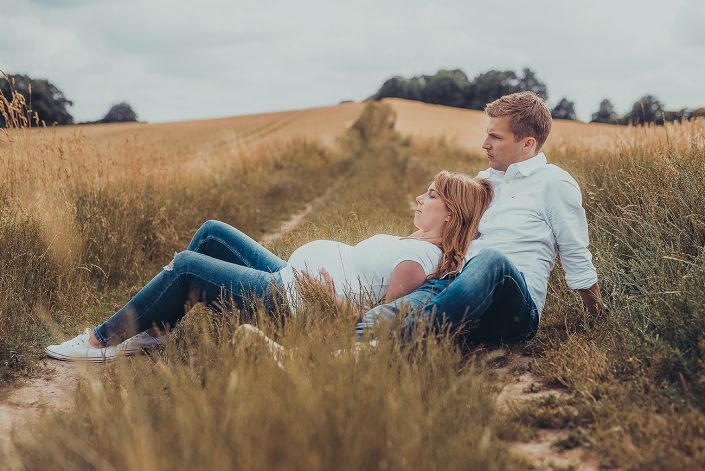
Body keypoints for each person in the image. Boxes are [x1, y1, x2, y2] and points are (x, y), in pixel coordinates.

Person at [45, 171, 493, 361]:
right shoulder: (414, 241)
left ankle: (102, 340)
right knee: (214, 232)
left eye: (431, 195)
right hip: (288, 279)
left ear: (450, 214)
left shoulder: (419, 261)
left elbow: (373, 327)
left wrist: (328, 299)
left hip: (293, 302)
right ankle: (154, 331)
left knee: (186, 266)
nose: (420, 197)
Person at [356, 91, 605, 347]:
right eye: (488, 134)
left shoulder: (553, 183)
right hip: (456, 286)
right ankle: (358, 349)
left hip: (512, 308)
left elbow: (575, 252)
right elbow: (449, 229)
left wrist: (596, 317)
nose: (485, 143)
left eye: (495, 137)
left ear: (528, 144)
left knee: (491, 260)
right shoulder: (482, 181)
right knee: (386, 314)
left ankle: (391, 345)